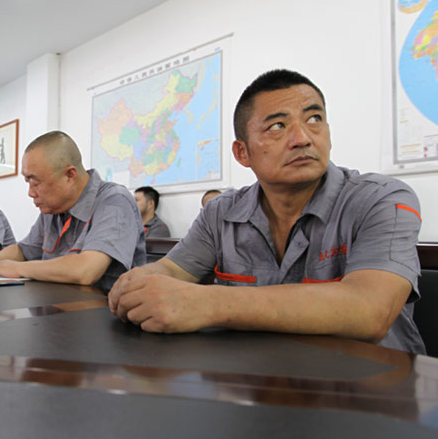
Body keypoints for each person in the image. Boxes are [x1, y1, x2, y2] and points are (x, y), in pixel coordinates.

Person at [109, 69, 425, 354]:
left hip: (372, 383)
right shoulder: (220, 212)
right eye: (277, 126)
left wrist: (205, 303)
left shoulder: (381, 199)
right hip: (261, 378)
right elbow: (171, 270)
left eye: (314, 119)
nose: (302, 138)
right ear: (242, 152)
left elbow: (371, 310)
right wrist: (139, 283)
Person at [0, 131, 146, 291]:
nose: (30, 193)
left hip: (101, 310)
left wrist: (17, 268)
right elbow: (24, 250)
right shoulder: (53, 208)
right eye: (27, 183)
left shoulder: (114, 201)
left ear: (69, 175)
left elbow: (86, 270)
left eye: (36, 183)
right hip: (57, 304)